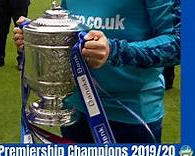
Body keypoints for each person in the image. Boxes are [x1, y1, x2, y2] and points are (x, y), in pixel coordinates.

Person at [13, 0, 180, 143]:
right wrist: (37, 35)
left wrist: (114, 51)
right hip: (75, 108)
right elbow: (70, 31)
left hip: (130, 114)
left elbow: (179, 43)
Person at [0, 0, 30, 70]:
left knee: (20, 32)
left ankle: (21, 60)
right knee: (0, 32)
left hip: (20, 4)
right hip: (3, 4)